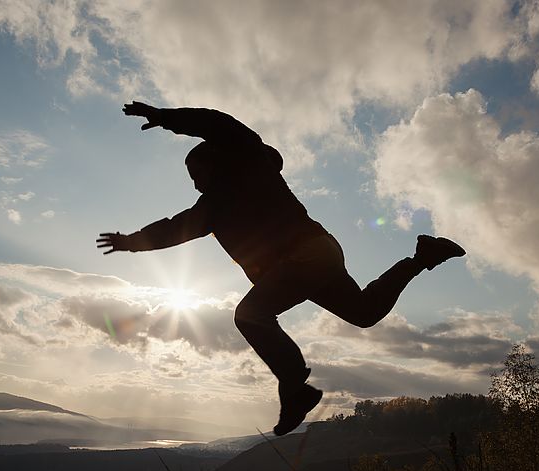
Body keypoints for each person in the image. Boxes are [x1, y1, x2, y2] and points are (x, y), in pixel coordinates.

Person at [97, 101, 465, 436]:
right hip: (318, 254)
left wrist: (166, 118)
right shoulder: (211, 209)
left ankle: (295, 389)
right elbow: (174, 229)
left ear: (217, 161)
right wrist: (131, 241)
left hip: (304, 257)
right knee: (364, 313)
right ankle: (423, 257)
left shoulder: (251, 164)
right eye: (190, 176)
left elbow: (220, 124)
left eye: (197, 171)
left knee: (250, 314)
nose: (195, 181)